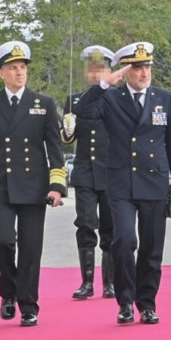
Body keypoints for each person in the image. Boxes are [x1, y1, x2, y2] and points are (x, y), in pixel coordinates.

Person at [73, 42, 171, 325]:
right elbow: (83, 111)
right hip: (121, 182)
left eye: (147, 66)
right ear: (126, 70)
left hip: (154, 181)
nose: (144, 72)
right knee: (124, 240)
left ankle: (147, 304)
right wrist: (104, 84)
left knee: (151, 247)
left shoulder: (164, 98)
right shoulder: (112, 97)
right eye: (137, 67)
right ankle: (125, 301)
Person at [0, 41, 66, 327]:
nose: (19, 73)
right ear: (1, 73)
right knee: (3, 240)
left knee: (31, 248)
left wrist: (56, 186)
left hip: (35, 186)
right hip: (1, 185)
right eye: (13, 68)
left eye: (23, 67)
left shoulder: (43, 104)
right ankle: (8, 290)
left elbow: (55, 150)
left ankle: (29, 305)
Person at [62, 45, 116, 301]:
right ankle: (87, 282)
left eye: (100, 69)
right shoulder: (74, 100)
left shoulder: (117, 98)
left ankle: (110, 283)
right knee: (85, 225)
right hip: (84, 171)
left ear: (109, 70)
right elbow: (66, 138)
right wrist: (68, 129)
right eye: (92, 69)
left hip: (110, 173)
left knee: (110, 228)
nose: (95, 74)